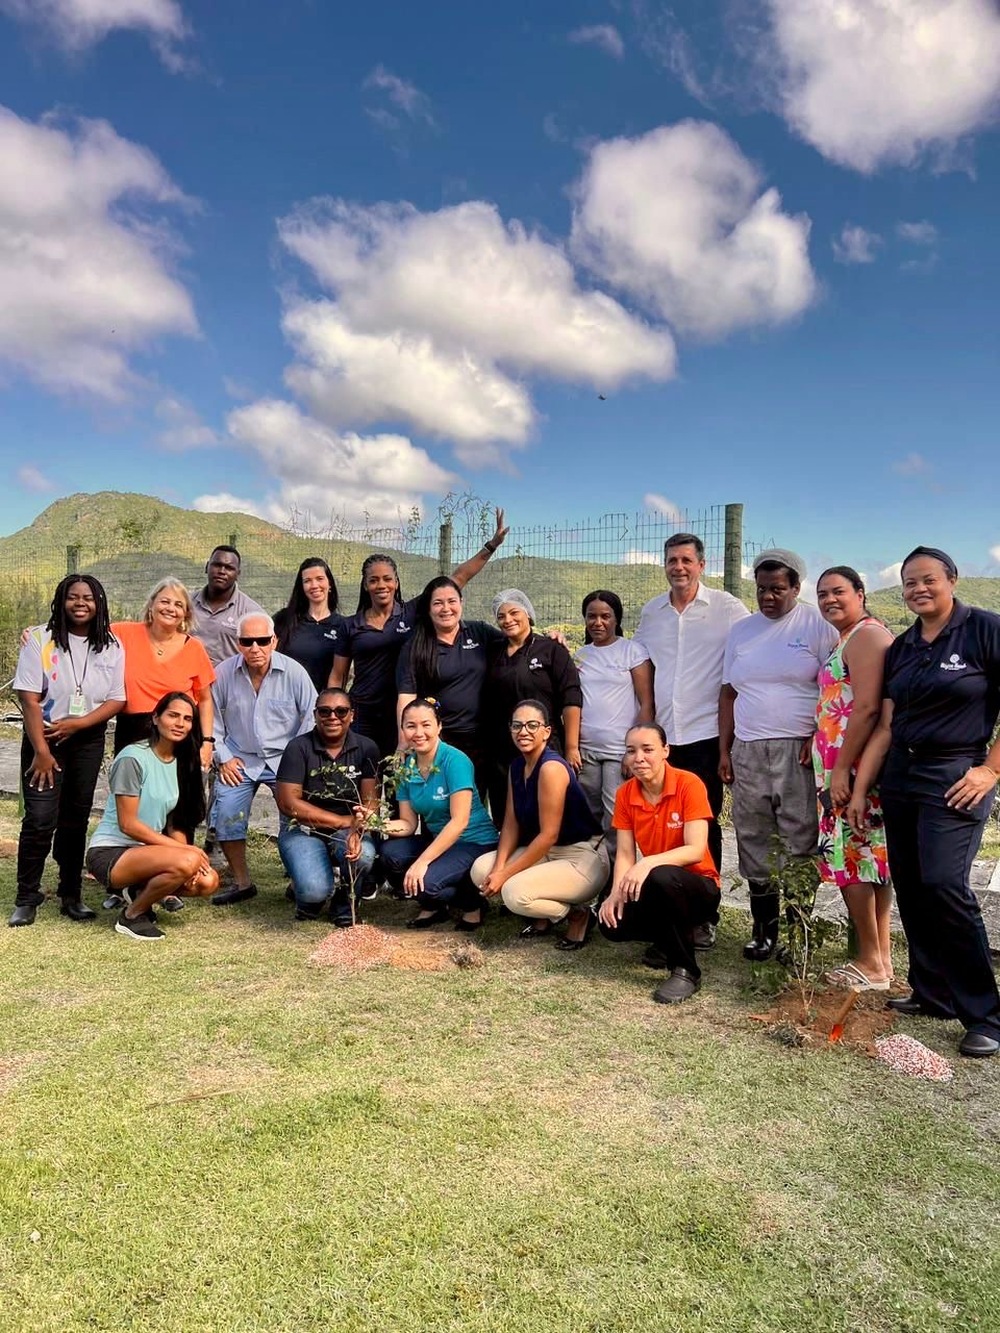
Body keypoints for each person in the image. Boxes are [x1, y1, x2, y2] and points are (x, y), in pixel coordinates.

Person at [849, 546, 1000, 1059]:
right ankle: (933, 993)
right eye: (910, 582)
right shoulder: (904, 645)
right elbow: (887, 724)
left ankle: (985, 1014)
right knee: (912, 885)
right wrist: (864, 781)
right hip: (901, 774)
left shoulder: (985, 630)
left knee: (944, 883)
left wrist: (990, 769)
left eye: (928, 579)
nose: (918, 589)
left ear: (953, 579)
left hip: (956, 772)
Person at [719, 549, 838, 961]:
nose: (768, 597)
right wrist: (725, 748)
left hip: (798, 749)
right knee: (752, 837)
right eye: (762, 589)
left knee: (798, 836)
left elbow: (834, 686)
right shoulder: (741, 631)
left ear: (796, 588)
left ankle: (798, 932)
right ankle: (763, 931)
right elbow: (729, 692)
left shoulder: (817, 624)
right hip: (748, 747)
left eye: (777, 589)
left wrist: (815, 736)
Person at [331, 511, 510, 758]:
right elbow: (337, 676)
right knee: (366, 780)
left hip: (404, 710)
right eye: (373, 580)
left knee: (398, 784)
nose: (381, 585)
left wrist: (491, 546)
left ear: (396, 582)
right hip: (364, 712)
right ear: (365, 585)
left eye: (387, 579)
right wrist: (334, 709)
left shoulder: (412, 612)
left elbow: (458, 577)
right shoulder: (350, 625)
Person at [9, 576, 126, 927]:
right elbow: (28, 698)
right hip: (45, 739)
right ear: (61, 601)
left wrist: (80, 724)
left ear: (98, 602)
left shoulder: (111, 645)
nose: (80, 603)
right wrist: (42, 752)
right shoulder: (40, 640)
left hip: (87, 740)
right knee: (40, 819)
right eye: (73, 597)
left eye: (88, 598)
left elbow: (117, 698)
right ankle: (26, 897)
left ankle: (70, 895)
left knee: (75, 820)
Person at [635, 533, 749, 893]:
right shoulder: (652, 612)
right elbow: (634, 660)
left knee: (703, 823)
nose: (679, 567)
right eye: (672, 560)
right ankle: (669, 900)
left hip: (705, 735)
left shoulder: (727, 608)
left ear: (702, 565)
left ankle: (705, 910)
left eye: (686, 560)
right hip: (663, 737)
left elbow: (754, 647)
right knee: (661, 822)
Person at [812, 567, 895, 990]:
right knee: (866, 859)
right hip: (842, 765)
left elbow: (866, 708)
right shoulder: (848, 636)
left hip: (853, 768)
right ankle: (879, 959)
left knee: (854, 861)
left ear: (860, 593)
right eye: (823, 593)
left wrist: (842, 769)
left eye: (839, 591)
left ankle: (870, 959)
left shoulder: (867, 636)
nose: (830, 599)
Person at [598, 724, 721, 1003]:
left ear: (665, 751)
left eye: (648, 749)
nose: (638, 758)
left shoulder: (689, 784)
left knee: (662, 876)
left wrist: (648, 863)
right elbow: (626, 854)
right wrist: (616, 893)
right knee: (609, 923)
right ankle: (669, 938)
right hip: (659, 883)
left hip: (699, 886)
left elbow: (695, 849)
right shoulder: (626, 793)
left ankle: (686, 970)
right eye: (631, 751)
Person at [471, 700, 609, 947]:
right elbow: (511, 823)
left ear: (547, 731)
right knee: (481, 870)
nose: (523, 731)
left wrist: (504, 874)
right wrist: (498, 867)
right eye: (517, 726)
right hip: (545, 853)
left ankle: (578, 915)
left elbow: (548, 835)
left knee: (514, 893)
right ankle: (544, 914)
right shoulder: (517, 766)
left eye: (532, 725)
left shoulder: (551, 768)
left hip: (580, 855)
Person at [84, 692, 219, 941]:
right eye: (173, 715)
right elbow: (128, 824)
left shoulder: (181, 760)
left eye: (188, 719)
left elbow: (175, 821)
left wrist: (189, 856)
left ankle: (136, 890)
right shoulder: (133, 758)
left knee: (208, 880)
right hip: (111, 851)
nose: (180, 723)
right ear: (156, 718)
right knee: (188, 860)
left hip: (149, 851)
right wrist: (187, 854)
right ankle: (132, 916)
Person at [208, 613, 317, 907]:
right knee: (227, 813)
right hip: (240, 758)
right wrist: (224, 758)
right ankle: (242, 881)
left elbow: (311, 717)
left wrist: (300, 762)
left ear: (274, 641)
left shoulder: (294, 673)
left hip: (286, 758)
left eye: (262, 641)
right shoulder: (222, 674)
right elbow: (212, 722)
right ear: (237, 644)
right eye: (247, 641)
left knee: (296, 817)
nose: (255, 647)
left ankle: (299, 879)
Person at [380, 698, 498, 930]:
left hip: (474, 841)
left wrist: (422, 862)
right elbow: (407, 824)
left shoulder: (455, 761)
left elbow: (459, 821)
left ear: (439, 726)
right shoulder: (406, 767)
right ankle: (434, 906)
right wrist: (374, 824)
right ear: (402, 729)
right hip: (439, 840)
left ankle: (472, 902)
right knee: (390, 854)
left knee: (425, 881)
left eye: (426, 724)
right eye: (410, 726)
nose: (418, 732)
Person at [276, 689, 380, 926]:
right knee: (313, 892)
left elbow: (371, 802)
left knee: (363, 854)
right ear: (315, 715)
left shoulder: (367, 748)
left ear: (352, 715)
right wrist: (344, 822)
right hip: (304, 830)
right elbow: (288, 803)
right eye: (325, 711)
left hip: (350, 830)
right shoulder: (298, 747)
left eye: (341, 711)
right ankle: (305, 893)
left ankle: (345, 903)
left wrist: (358, 829)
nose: (333, 716)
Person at [482, 589, 584, 828]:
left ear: (528, 613)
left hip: (546, 745)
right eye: (501, 616)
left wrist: (571, 747)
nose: (508, 620)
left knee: (547, 812)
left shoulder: (551, 649)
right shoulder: (493, 652)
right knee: (507, 812)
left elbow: (571, 698)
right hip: (503, 749)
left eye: (514, 612)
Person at [396, 577, 503, 796]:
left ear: (461, 603)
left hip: (481, 740)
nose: (446, 608)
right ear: (428, 608)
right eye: (438, 603)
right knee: (439, 802)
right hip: (439, 742)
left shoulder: (480, 632)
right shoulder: (416, 646)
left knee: (474, 802)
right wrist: (404, 742)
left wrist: (548, 640)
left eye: (451, 601)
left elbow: (516, 642)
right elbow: (407, 697)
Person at [574, 590, 654, 853]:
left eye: (605, 616)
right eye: (591, 616)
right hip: (586, 750)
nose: (598, 622)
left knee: (615, 817)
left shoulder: (632, 651)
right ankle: (592, 874)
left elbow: (646, 703)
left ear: (617, 619)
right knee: (588, 813)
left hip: (617, 751)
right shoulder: (581, 656)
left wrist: (635, 752)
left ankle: (616, 880)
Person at [111, 579, 216, 769]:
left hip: (178, 735)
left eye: (178, 605)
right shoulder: (122, 633)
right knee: (131, 793)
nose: (170, 608)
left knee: (180, 796)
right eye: (165, 601)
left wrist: (207, 742)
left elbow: (206, 699)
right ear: (151, 604)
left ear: (186, 614)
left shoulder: (194, 648)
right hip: (132, 732)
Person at [273, 558, 343, 693]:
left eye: (319, 579)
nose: (314, 585)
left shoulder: (342, 626)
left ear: (330, 584)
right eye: (307, 581)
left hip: (321, 707)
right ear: (302, 587)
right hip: (283, 701)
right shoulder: (284, 619)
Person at [190, 545, 266, 666]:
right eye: (217, 565)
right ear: (207, 567)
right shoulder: (186, 604)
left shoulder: (251, 613)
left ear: (238, 574)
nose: (222, 571)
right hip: (187, 680)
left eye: (229, 568)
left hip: (228, 682)